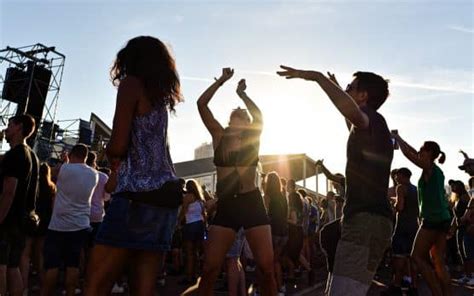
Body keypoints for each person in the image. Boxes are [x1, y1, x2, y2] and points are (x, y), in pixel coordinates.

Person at [278, 67, 394, 295]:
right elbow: (350, 118)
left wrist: (317, 78)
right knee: (330, 234)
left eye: (351, 88)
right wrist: (340, 87)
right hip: (364, 221)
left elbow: (353, 113)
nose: (347, 91)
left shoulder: (373, 119)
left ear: (363, 96)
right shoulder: (369, 128)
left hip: (366, 223)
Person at [85, 36, 183, 295]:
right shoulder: (160, 99)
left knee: (96, 283)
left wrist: (109, 152)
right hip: (165, 198)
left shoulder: (131, 85)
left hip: (135, 198)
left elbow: (118, 145)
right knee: (144, 288)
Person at [197, 68, 276, 295]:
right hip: (227, 205)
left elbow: (259, 116)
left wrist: (243, 95)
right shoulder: (219, 136)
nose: (239, 124)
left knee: (266, 268)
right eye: (235, 119)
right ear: (230, 122)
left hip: (252, 202)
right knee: (210, 268)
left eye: (244, 120)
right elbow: (201, 105)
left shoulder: (252, 140)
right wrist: (221, 80)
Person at [392, 134, 452, 296]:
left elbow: (409, 155)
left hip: (432, 219)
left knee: (416, 257)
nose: (419, 151)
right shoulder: (436, 170)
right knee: (438, 262)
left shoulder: (428, 166)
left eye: (422, 149)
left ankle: (436, 293)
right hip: (443, 219)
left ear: (429, 152)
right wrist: (401, 139)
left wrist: (397, 140)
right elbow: (413, 151)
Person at [41, 144, 98, 296]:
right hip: (80, 225)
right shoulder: (94, 174)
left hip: (58, 225)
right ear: (86, 156)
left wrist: (62, 162)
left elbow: (49, 175)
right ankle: (71, 292)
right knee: (73, 265)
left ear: (72, 154)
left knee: (52, 266)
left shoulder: (64, 169)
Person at [0, 115, 36, 296]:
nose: (6, 129)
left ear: (19, 127)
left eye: (9, 125)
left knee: (1, 266)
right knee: (13, 267)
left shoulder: (15, 154)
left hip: (7, 221)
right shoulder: (32, 155)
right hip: (21, 221)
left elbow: (8, 191)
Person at [382, 167, 419, 295]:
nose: (395, 178)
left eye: (397, 176)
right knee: (411, 259)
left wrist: (394, 204)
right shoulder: (416, 189)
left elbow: (400, 206)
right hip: (414, 226)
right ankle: (413, 288)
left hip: (402, 227)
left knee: (398, 258)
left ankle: (396, 286)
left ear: (402, 176)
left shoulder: (400, 188)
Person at [263, 172, 288, 294]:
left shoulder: (268, 195)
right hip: (284, 232)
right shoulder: (283, 196)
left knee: (269, 262)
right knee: (276, 261)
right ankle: (281, 286)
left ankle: (273, 289)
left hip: (273, 231)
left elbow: (266, 214)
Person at [179, 179, 207, 285]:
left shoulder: (188, 197)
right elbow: (204, 214)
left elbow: (183, 211)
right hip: (199, 225)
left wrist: (178, 222)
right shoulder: (200, 199)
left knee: (189, 252)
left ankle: (189, 276)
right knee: (195, 252)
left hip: (190, 225)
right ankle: (195, 275)